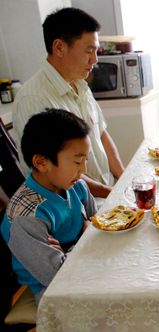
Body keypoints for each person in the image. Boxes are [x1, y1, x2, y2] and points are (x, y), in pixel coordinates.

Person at [12, 7, 124, 198]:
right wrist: (110, 194)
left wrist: (123, 180)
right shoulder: (34, 98)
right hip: (79, 205)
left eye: (96, 51)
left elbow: (102, 134)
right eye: (89, 51)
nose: (95, 60)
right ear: (59, 48)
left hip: (107, 192)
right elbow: (56, 170)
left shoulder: (81, 85)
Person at [1, 108, 97, 304]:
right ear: (41, 162)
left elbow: (98, 225)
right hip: (52, 291)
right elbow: (58, 277)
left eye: (85, 160)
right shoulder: (27, 216)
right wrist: (85, 237)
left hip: (82, 263)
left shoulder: (76, 186)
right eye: (78, 161)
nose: (84, 170)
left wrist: (86, 235)